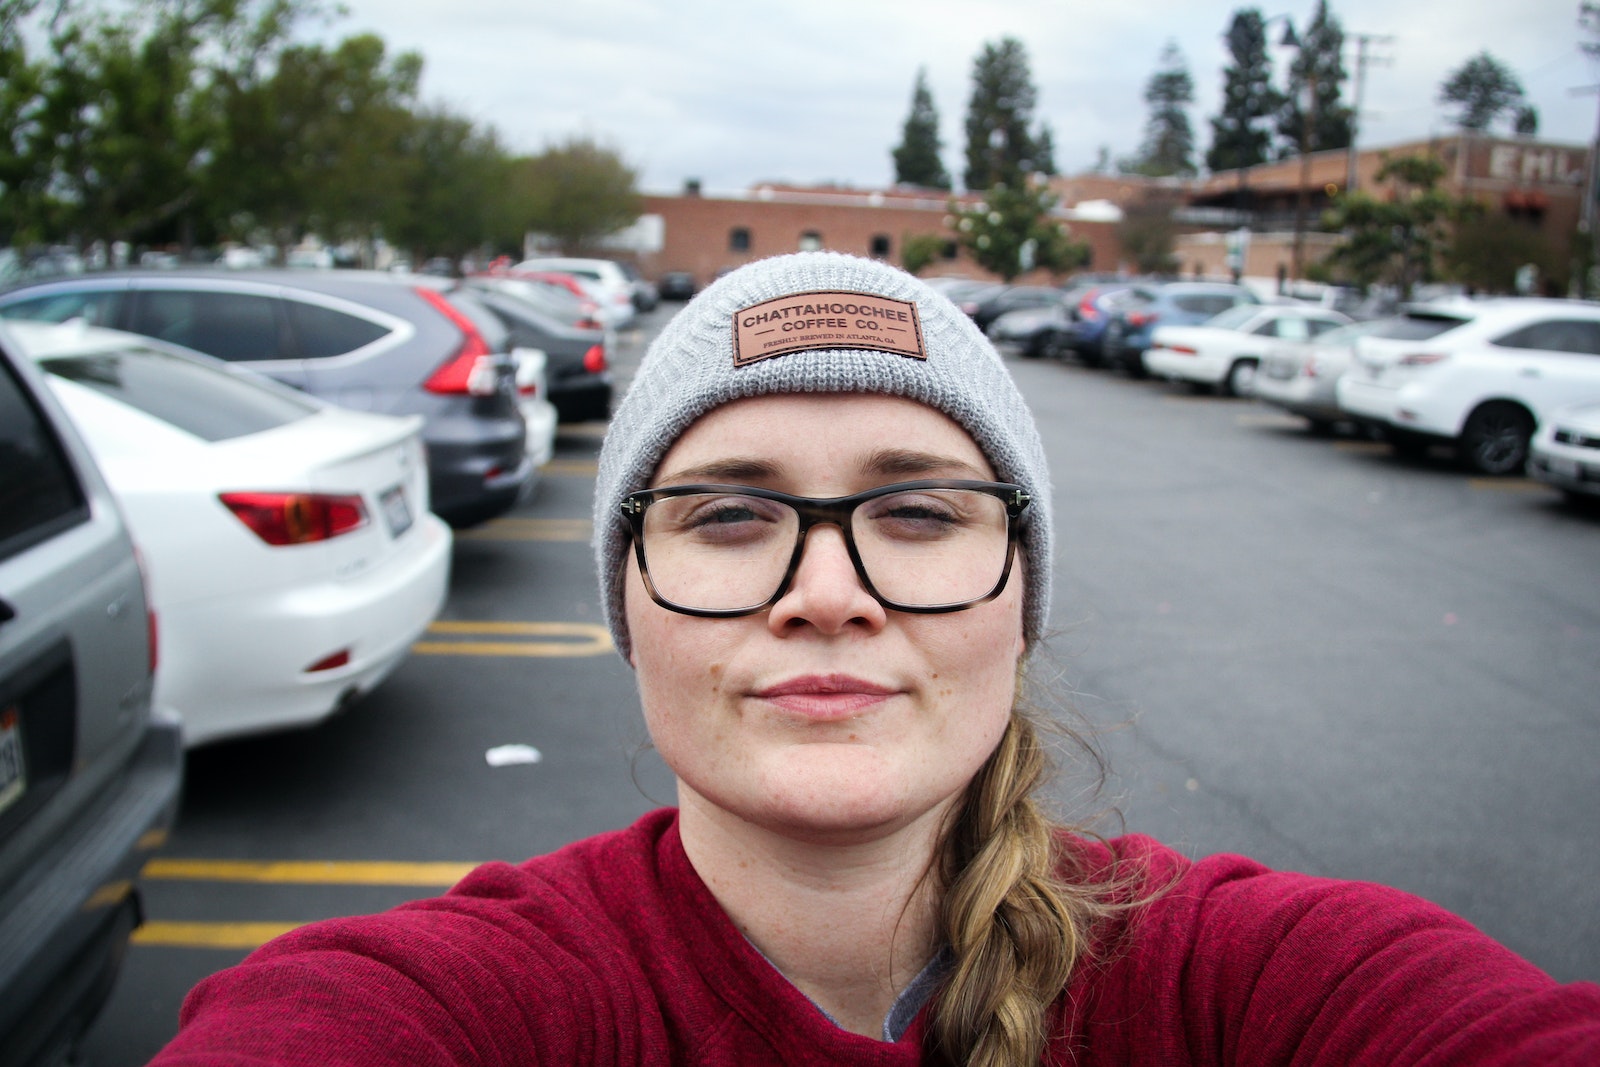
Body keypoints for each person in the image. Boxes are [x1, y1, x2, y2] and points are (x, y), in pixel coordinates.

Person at [151, 252, 1599, 1066]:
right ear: (629, 599)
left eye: (917, 511)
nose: (827, 594)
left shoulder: (1247, 985)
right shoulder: (474, 1006)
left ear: (1017, 595)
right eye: (729, 515)